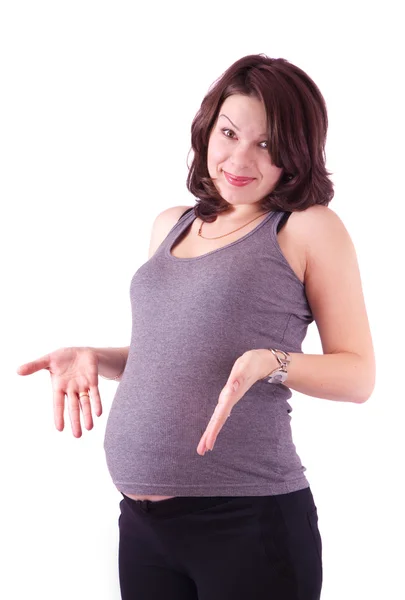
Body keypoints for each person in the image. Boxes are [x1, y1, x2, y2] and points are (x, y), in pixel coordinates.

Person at [17, 54, 375, 600]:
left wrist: (271, 363)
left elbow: (358, 376)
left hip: (249, 522)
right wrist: (95, 354)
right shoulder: (172, 224)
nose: (239, 158)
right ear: (208, 128)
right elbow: (170, 353)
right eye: (229, 133)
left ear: (297, 153)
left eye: (267, 144)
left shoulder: (306, 229)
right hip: (142, 528)